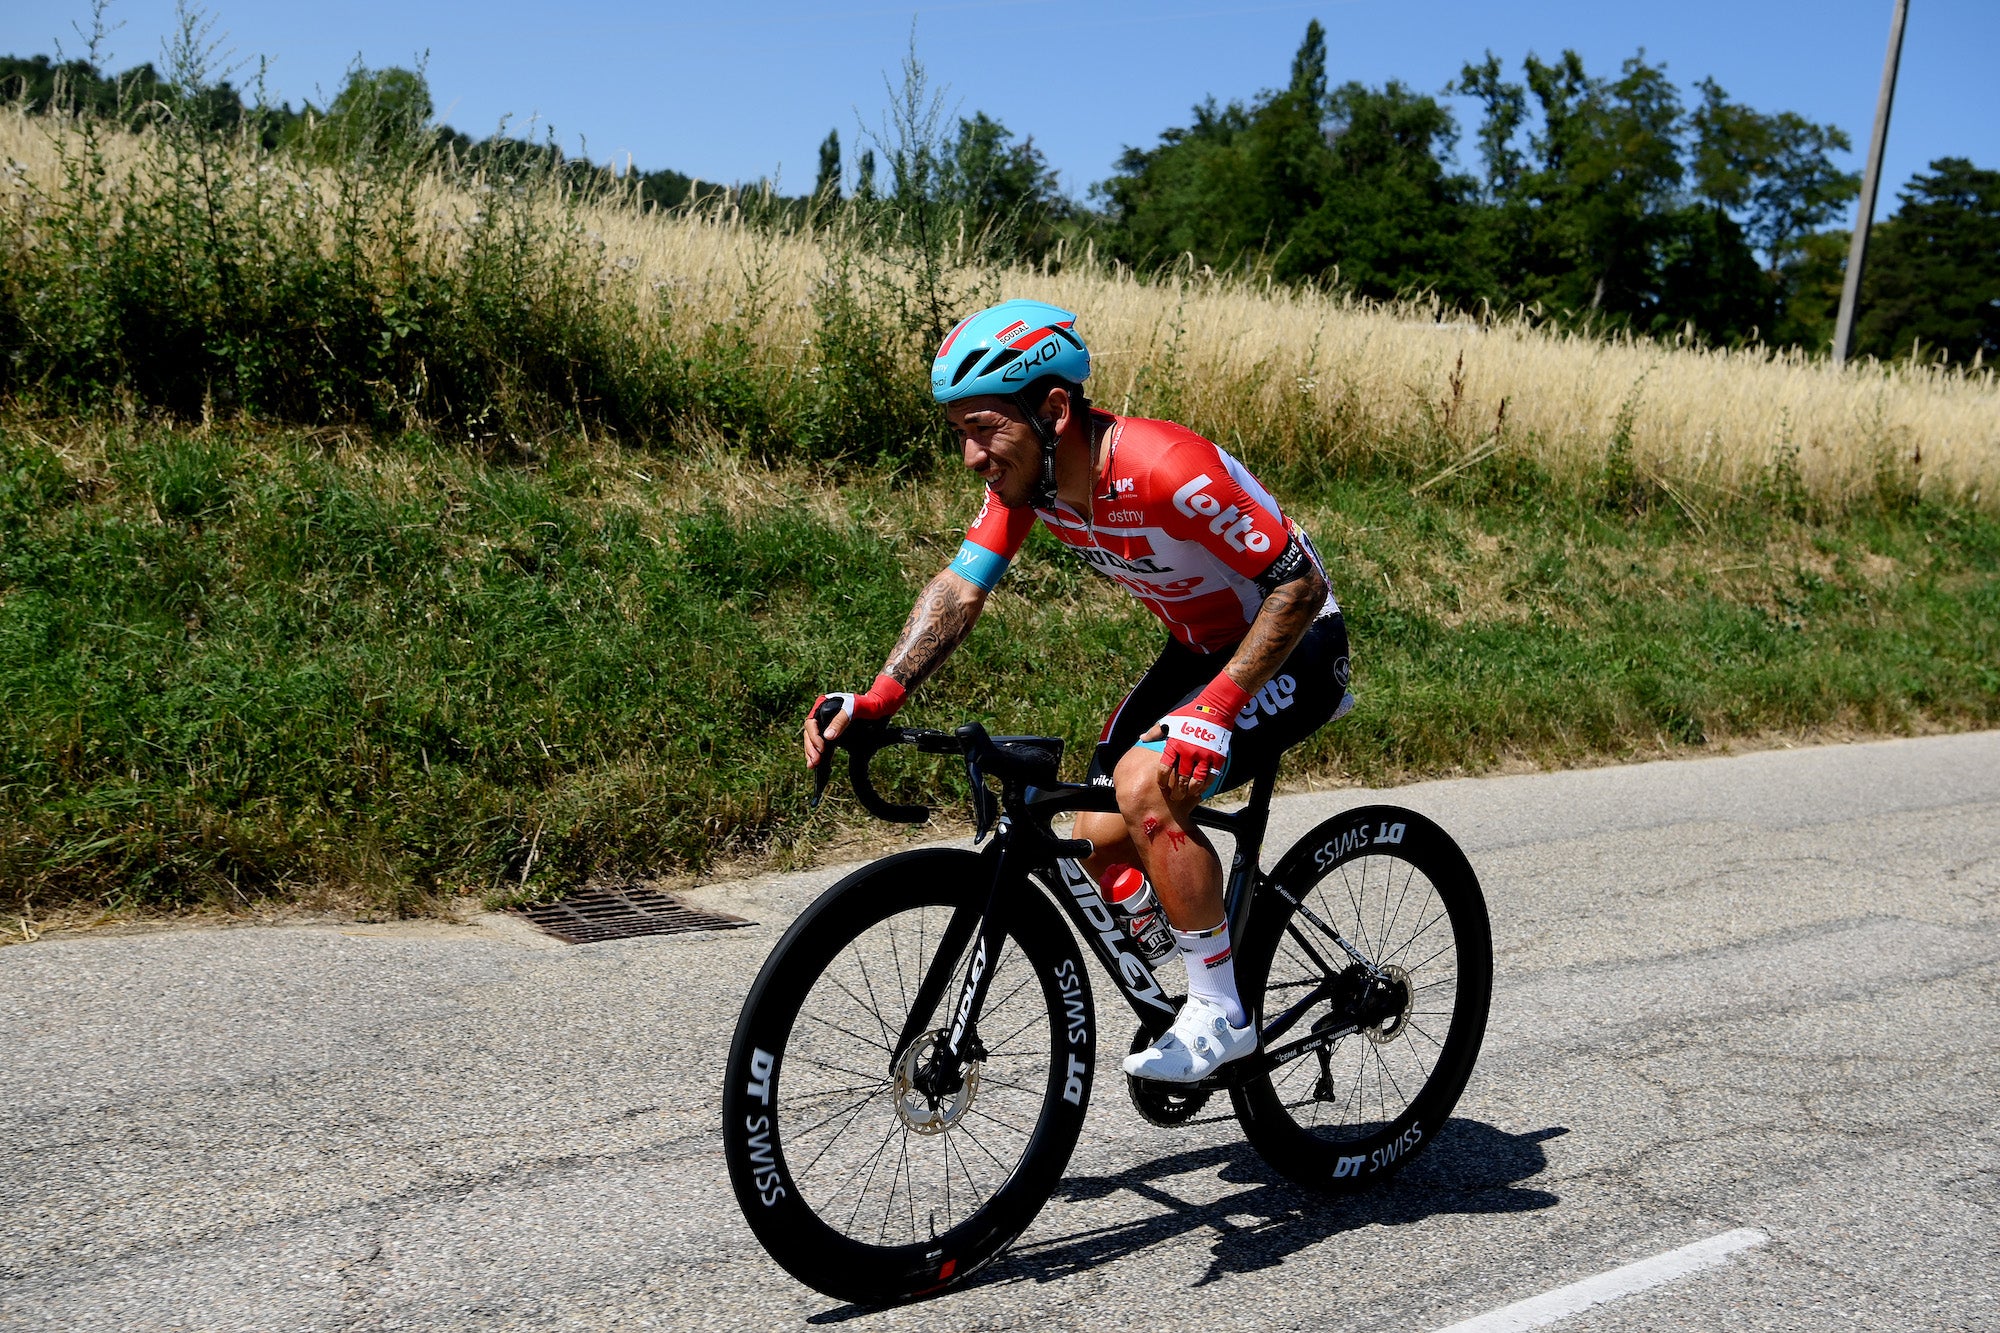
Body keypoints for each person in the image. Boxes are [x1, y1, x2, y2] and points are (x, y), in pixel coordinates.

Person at [802, 299, 1351, 1084]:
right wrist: (879, 698)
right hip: (1199, 648)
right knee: (1090, 834)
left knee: (1144, 782)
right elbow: (961, 589)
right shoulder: (1038, 485)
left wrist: (1218, 710)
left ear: (1054, 409)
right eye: (958, 431)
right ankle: (1191, 937)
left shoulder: (1164, 469)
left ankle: (1223, 1011)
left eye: (984, 427)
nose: (970, 455)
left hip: (1296, 642)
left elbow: (1299, 584)